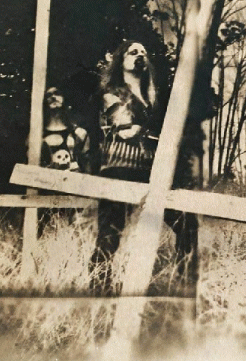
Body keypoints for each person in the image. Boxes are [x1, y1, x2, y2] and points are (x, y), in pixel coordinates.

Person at [89, 41, 198, 295]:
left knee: (186, 223)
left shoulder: (152, 97)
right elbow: (126, 129)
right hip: (118, 169)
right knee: (109, 235)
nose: (140, 56)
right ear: (121, 61)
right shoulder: (110, 93)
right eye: (133, 52)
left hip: (150, 171)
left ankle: (181, 285)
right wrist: (152, 132)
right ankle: (99, 292)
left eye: (143, 53)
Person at [38, 86, 91, 237]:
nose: (53, 97)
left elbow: (87, 163)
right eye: (48, 95)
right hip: (45, 187)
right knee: (43, 226)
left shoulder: (78, 133)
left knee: (75, 229)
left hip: (73, 188)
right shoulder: (36, 134)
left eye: (57, 93)